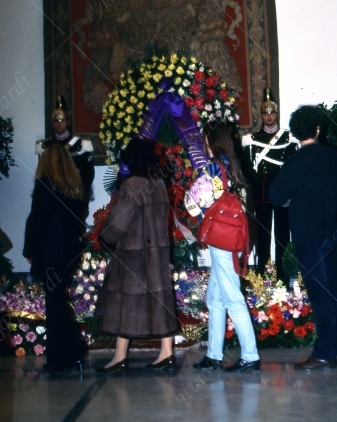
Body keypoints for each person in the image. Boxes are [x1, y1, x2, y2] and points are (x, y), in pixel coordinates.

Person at [269, 105, 337, 371]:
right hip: (330, 233)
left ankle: (324, 353)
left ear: (295, 133)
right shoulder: (333, 157)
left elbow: (276, 196)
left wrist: (294, 199)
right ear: (317, 128)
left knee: (320, 294)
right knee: (335, 291)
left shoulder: (294, 162)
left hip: (306, 236)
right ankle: (336, 351)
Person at [95, 137, 178, 374]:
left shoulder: (132, 185)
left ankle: (120, 357)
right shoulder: (159, 182)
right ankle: (167, 352)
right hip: (157, 254)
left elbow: (119, 223)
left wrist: (104, 237)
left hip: (133, 255)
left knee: (126, 304)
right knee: (160, 302)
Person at [185, 122, 260, 372]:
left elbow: (193, 201)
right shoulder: (233, 164)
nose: (203, 144)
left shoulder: (212, 167)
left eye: (205, 139)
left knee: (231, 296)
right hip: (235, 235)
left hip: (222, 239)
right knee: (215, 297)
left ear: (211, 140)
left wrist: (198, 219)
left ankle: (250, 356)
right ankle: (214, 355)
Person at [23, 144, 86, 373]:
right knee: (57, 300)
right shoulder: (73, 187)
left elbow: (36, 220)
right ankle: (65, 356)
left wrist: (28, 249)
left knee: (55, 303)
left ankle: (70, 354)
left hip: (50, 252)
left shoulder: (44, 185)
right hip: (69, 252)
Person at [241, 88, 298, 281]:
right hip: (262, 192)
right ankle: (263, 276)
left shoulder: (288, 138)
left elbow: (292, 166)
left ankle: (283, 277)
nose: (269, 116)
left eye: (272, 112)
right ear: (261, 115)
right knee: (263, 237)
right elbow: (247, 167)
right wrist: (255, 182)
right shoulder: (253, 139)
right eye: (265, 113)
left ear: (276, 114)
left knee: (283, 236)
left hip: (282, 194)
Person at [35, 95, 95, 221]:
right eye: (56, 120)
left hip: (75, 198)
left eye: (62, 120)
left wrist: (81, 199)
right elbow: (42, 175)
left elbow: (88, 174)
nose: (59, 124)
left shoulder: (80, 144)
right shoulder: (45, 146)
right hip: (52, 202)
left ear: (68, 121)